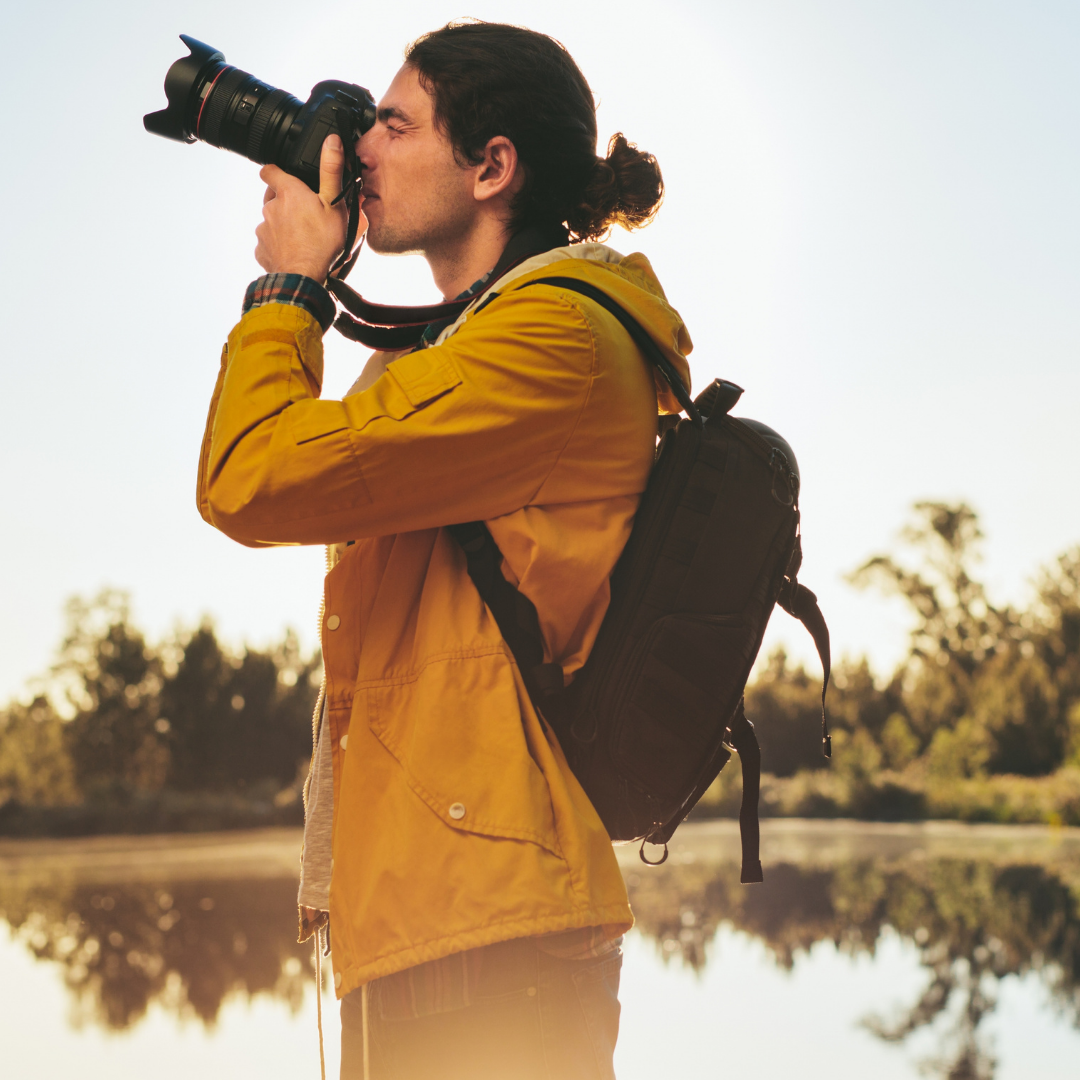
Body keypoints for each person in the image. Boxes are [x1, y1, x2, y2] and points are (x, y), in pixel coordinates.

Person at [196, 20, 692, 1080]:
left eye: (393, 123)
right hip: (435, 914)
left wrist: (290, 290)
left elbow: (253, 475)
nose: (361, 148)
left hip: (487, 934)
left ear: (491, 166)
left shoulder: (551, 339)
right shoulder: (463, 342)